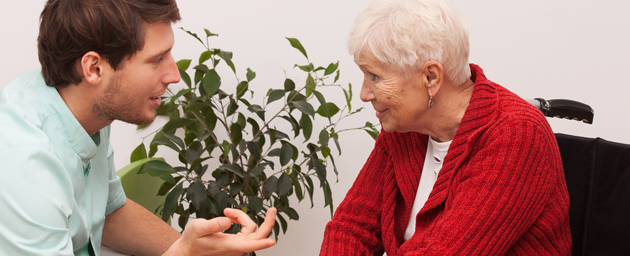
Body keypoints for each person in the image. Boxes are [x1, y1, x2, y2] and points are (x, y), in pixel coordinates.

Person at [0, 0, 276, 255]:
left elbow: (110, 214)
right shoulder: (24, 164)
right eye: (157, 59)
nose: (174, 75)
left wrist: (196, 250)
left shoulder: (86, 106)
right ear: (94, 68)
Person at [320, 0, 572, 255]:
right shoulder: (404, 128)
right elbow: (351, 229)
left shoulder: (517, 135)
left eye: (374, 76)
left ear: (431, 77)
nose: (364, 94)